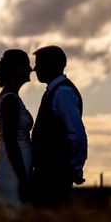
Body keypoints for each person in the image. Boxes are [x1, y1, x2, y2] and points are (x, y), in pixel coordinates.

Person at [31, 45, 87, 207]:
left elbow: (76, 135)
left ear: (52, 65)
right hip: (50, 172)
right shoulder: (54, 91)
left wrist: (74, 168)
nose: (35, 69)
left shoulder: (62, 92)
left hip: (54, 174)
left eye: (39, 64)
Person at [0, 49, 34, 210]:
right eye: (26, 65)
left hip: (17, 161)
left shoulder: (12, 97)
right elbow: (11, 141)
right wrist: (22, 180)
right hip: (14, 166)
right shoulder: (10, 100)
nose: (30, 69)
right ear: (17, 69)